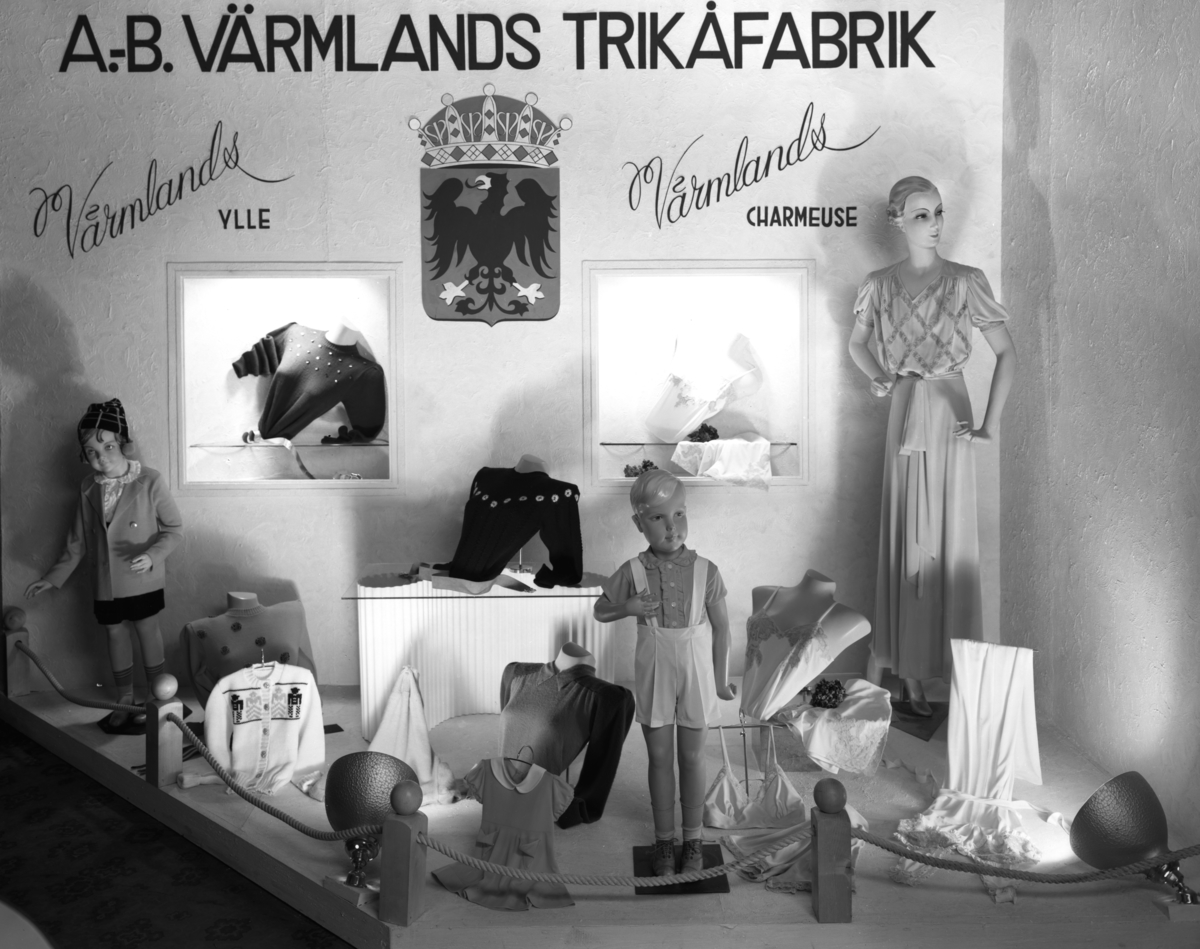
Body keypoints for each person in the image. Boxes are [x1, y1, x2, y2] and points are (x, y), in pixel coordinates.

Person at [847, 176, 1016, 716]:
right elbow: (857, 343)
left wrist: (989, 424)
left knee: (949, 539)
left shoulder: (966, 282)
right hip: (904, 408)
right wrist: (879, 377)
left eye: (938, 211)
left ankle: (951, 673)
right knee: (906, 538)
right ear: (897, 220)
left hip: (948, 411)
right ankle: (909, 673)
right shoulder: (878, 285)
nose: (936, 223)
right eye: (921, 214)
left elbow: (1007, 353)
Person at [593, 469, 736, 875]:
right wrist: (627, 608)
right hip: (654, 667)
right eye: (657, 517)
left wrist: (721, 680)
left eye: (679, 514)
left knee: (692, 756)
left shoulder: (707, 570)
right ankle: (663, 840)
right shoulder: (632, 570)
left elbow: (723, 628)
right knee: (658, 756)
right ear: (639, 522)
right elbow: (600, 610)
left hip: (695, 670)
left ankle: (693, 839)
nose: (671, 527)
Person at [25, 399, 183, 729]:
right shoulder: (88, 487)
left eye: (108, 446)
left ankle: (157, 696)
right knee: (114, 633)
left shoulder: (150, 481)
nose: (101, 457)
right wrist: (52, 578)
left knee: (147, 629)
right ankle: (124, 698)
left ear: (124, 443)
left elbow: (173, 529)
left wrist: (152, 556)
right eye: (92, 451)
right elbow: (77, 541)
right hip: (105, 582)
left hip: (141, 578)